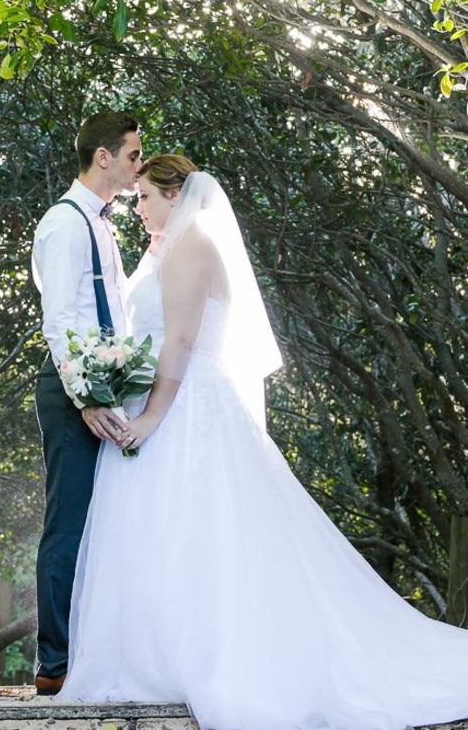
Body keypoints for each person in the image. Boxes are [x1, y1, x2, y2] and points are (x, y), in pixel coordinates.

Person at [60, 154, 468, 730]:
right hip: (172, 400)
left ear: (177, 195)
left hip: (187, 407)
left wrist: (150, 416)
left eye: (147, 196)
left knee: (201, 529)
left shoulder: (192, 247)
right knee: (163, 530)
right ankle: (152, 659)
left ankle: (207, 660)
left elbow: (177, 344)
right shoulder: (166, 250)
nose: (140, 206)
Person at [30, 110, 142, 695]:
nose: (137, 165)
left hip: (103, 390)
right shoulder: (65, 223)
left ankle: (96, 651)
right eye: (131, 155)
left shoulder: (102, 223)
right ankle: (55, 665)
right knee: (68, 523)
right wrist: (86, 399)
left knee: (105, 523)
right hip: (73, 391)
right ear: (103, 157)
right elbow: (59, 323)